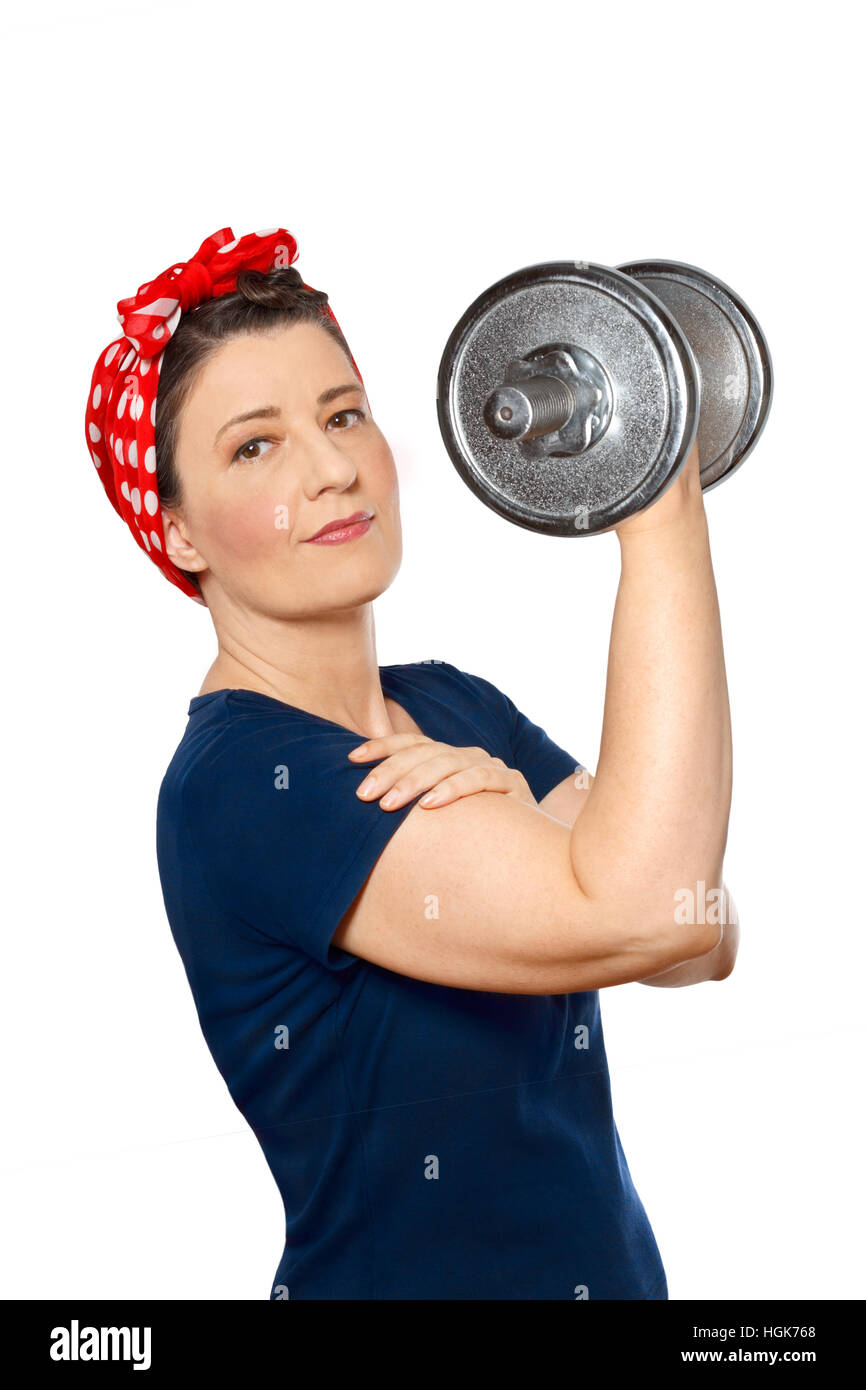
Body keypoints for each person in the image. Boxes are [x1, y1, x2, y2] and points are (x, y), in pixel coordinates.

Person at [85, 225, 738, 1301]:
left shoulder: (450, 705)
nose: (334, 467)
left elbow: (695, 926)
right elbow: (650, 913)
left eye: (342, 414)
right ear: (181, 533)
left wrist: (556, 846)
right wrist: (654, 494)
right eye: (256, 446)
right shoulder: (245, 784)